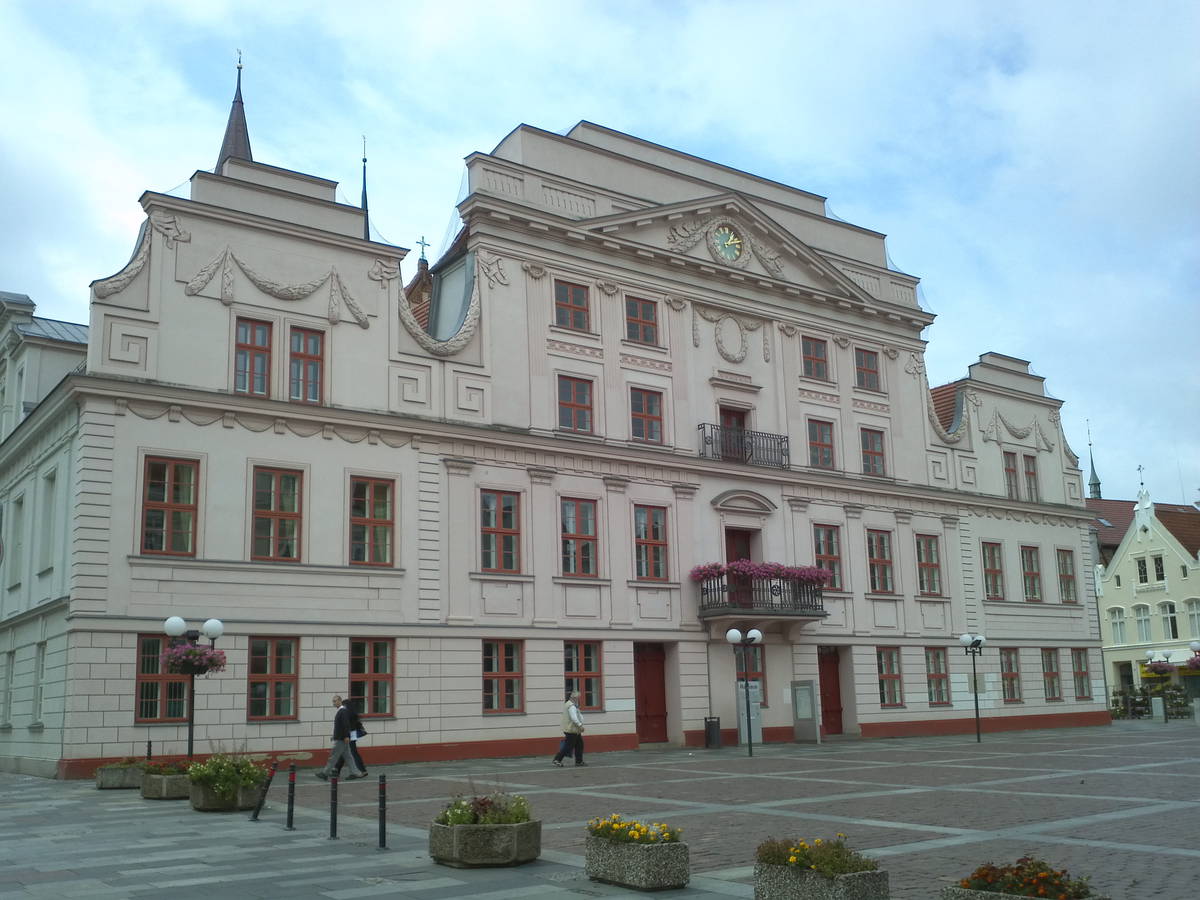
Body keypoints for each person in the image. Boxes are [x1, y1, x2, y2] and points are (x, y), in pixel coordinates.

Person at [316, 695, 365, 780]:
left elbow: (346, 725)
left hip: (341, 739)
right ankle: (356, 773)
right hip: (341, 737)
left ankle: (325, 773)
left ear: (340, 701)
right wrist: (335, 736)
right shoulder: (341, 711)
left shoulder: (343, 711)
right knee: (348, 757)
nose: (334, 703)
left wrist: (346, 736)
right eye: (333, 701)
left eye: (335, 701)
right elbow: (340, 726)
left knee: (333, 756)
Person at [335, 697, 368, 777]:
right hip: (351, 735)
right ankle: (336, 770)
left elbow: (345, 726)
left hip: (348, 736)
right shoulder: (352, 714)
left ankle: (362, 770)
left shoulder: (346, 714)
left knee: (352, 753)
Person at [552, 690, 586, 767]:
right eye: (578, 697)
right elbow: (574, 718)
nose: (579, 699)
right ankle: (557, 760)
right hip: (571, 729)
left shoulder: (570, 704)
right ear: (574, 697)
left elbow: (578, 715)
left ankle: (579, 761)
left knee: (579, 745)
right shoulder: (571, 706)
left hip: (573, 730)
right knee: (568, 746)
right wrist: (580, 725)